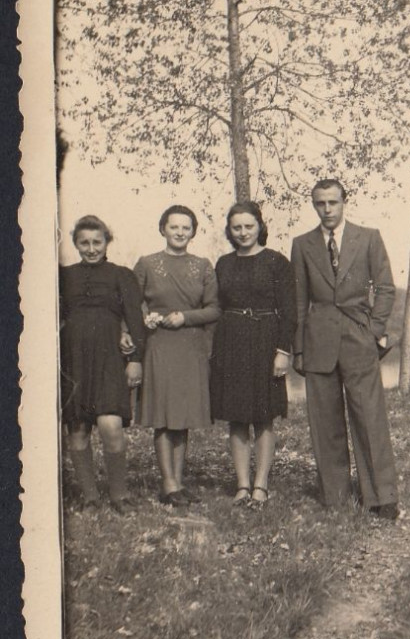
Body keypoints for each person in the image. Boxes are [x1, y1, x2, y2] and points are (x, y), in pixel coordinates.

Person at [291, 179, 399, 519]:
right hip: (318, 340)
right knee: (325, 421)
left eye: (332, 203)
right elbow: (298, 301)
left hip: (358, 337)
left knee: (369, 417)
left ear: (343, 202)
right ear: (314, 205)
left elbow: (385, 288)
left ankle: (381, 496)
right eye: (320, 203)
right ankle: (335, 495)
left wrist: (374, 331)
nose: (327, 210)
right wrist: (298, 350)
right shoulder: (302, 244)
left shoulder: (368, 237)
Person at [134, 206, 221, 507]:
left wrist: (184, 317)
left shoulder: (202, 265)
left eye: (186, 228)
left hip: (191, 347)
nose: (180, 233)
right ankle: (168, 483)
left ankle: (179, 483)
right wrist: (145, 317)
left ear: (193, 231)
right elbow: (133, 303)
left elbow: (214, 308)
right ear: (163, 229)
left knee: (181, 416)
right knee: (163, 414)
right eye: (174, 227)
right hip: (160, 345)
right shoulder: (147, 263)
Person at [210, 202, 295, 508]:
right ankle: (242, 485)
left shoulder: (277, 262)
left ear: (259, 226)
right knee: (235, 417)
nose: (243, 232)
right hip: (231, 341)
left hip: (265, 340)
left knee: (263, 416)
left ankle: (261, 485)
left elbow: (289, 312)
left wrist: (283, 352)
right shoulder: (223, 263)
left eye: (249, 226)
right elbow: (216, 306)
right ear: (229, 231)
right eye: (237, 227)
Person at [59, 215, 145, 514]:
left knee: (111, 425)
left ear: (107, 241)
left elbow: (135, 321)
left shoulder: (122, 275)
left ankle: (119, 494)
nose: (91, 248)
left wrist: (134, 360)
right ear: (76, 244)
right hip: (74, 361)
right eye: (84, 242)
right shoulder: (63, 276)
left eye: (97, 241)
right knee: (78, 429)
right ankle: (90, 496)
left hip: (110, 358)